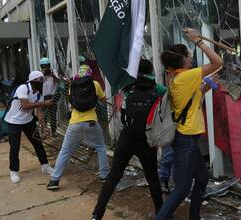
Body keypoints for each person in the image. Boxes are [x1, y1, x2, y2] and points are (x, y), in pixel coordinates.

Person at [155, 28, 223, 220]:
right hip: (186, 140)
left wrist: (206, 88)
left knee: (202, 179)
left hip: (187, 138)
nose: (191, 58)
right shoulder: (186, 76)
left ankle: (195, 217)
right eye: (189, 55)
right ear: (183, 60)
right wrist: (197, 40)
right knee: (182, 189)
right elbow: (218, 62)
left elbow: (193, 103)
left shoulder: (179, 78)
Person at [91, 59, 165, 220]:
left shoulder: (127, 88)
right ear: (151, 71)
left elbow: (120, 112)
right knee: (152, 178)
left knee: (113, 177)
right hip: (146, 140)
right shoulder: (158, 89)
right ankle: (162, 213)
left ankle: (97, 214)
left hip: (126, 139)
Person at [46, 64, 110, 190]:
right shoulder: (95, 84)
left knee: (65, 151)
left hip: (74, 123)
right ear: (89, 73)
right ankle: (104, 176)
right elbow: (103, 99)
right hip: (91, 122)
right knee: (101, 147)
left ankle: (54, 180)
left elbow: (71, 101)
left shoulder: (73, 85)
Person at [4, 71, 54, 183]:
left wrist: (44, 127)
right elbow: (25, 105)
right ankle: (14, 171)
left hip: (28, 120)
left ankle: (45, 165)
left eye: (42, 80)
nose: (41, 82)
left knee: (37, 142)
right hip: (14, 121)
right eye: (39, 80)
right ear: (32, 81)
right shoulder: (23, 88)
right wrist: (44, 103)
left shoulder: (39, 94)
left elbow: (40, 112)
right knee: (15, 146)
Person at [40, 57, 59, 135]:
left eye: (47, 66)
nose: (46, 68)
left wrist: (52, 75)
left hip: (52, 96)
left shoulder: (53, 71)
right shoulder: (39, 73)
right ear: (41, 66)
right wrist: (42, 75)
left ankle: (53, 131)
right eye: (44, 66)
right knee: (43, 115)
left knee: (53, 115)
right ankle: (44, 131)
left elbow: (58, 81)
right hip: (42, 97)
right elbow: (37, 84)